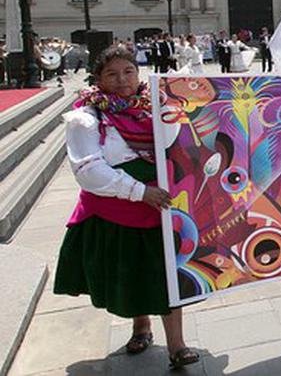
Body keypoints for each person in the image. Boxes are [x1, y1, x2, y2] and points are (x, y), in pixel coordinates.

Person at [53, 47, 200, 369]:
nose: (122, 80)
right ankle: (141, 327)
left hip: (160, 204)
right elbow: (88, 170)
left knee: (167, 275)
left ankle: (177, 345)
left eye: (129, 71)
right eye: (112, 74)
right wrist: (138, 192)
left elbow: (175, 143)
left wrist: (171, 104)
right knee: (133, 272)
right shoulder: (87, 118)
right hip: (117, 207)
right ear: (98, 79)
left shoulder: (154, 106)